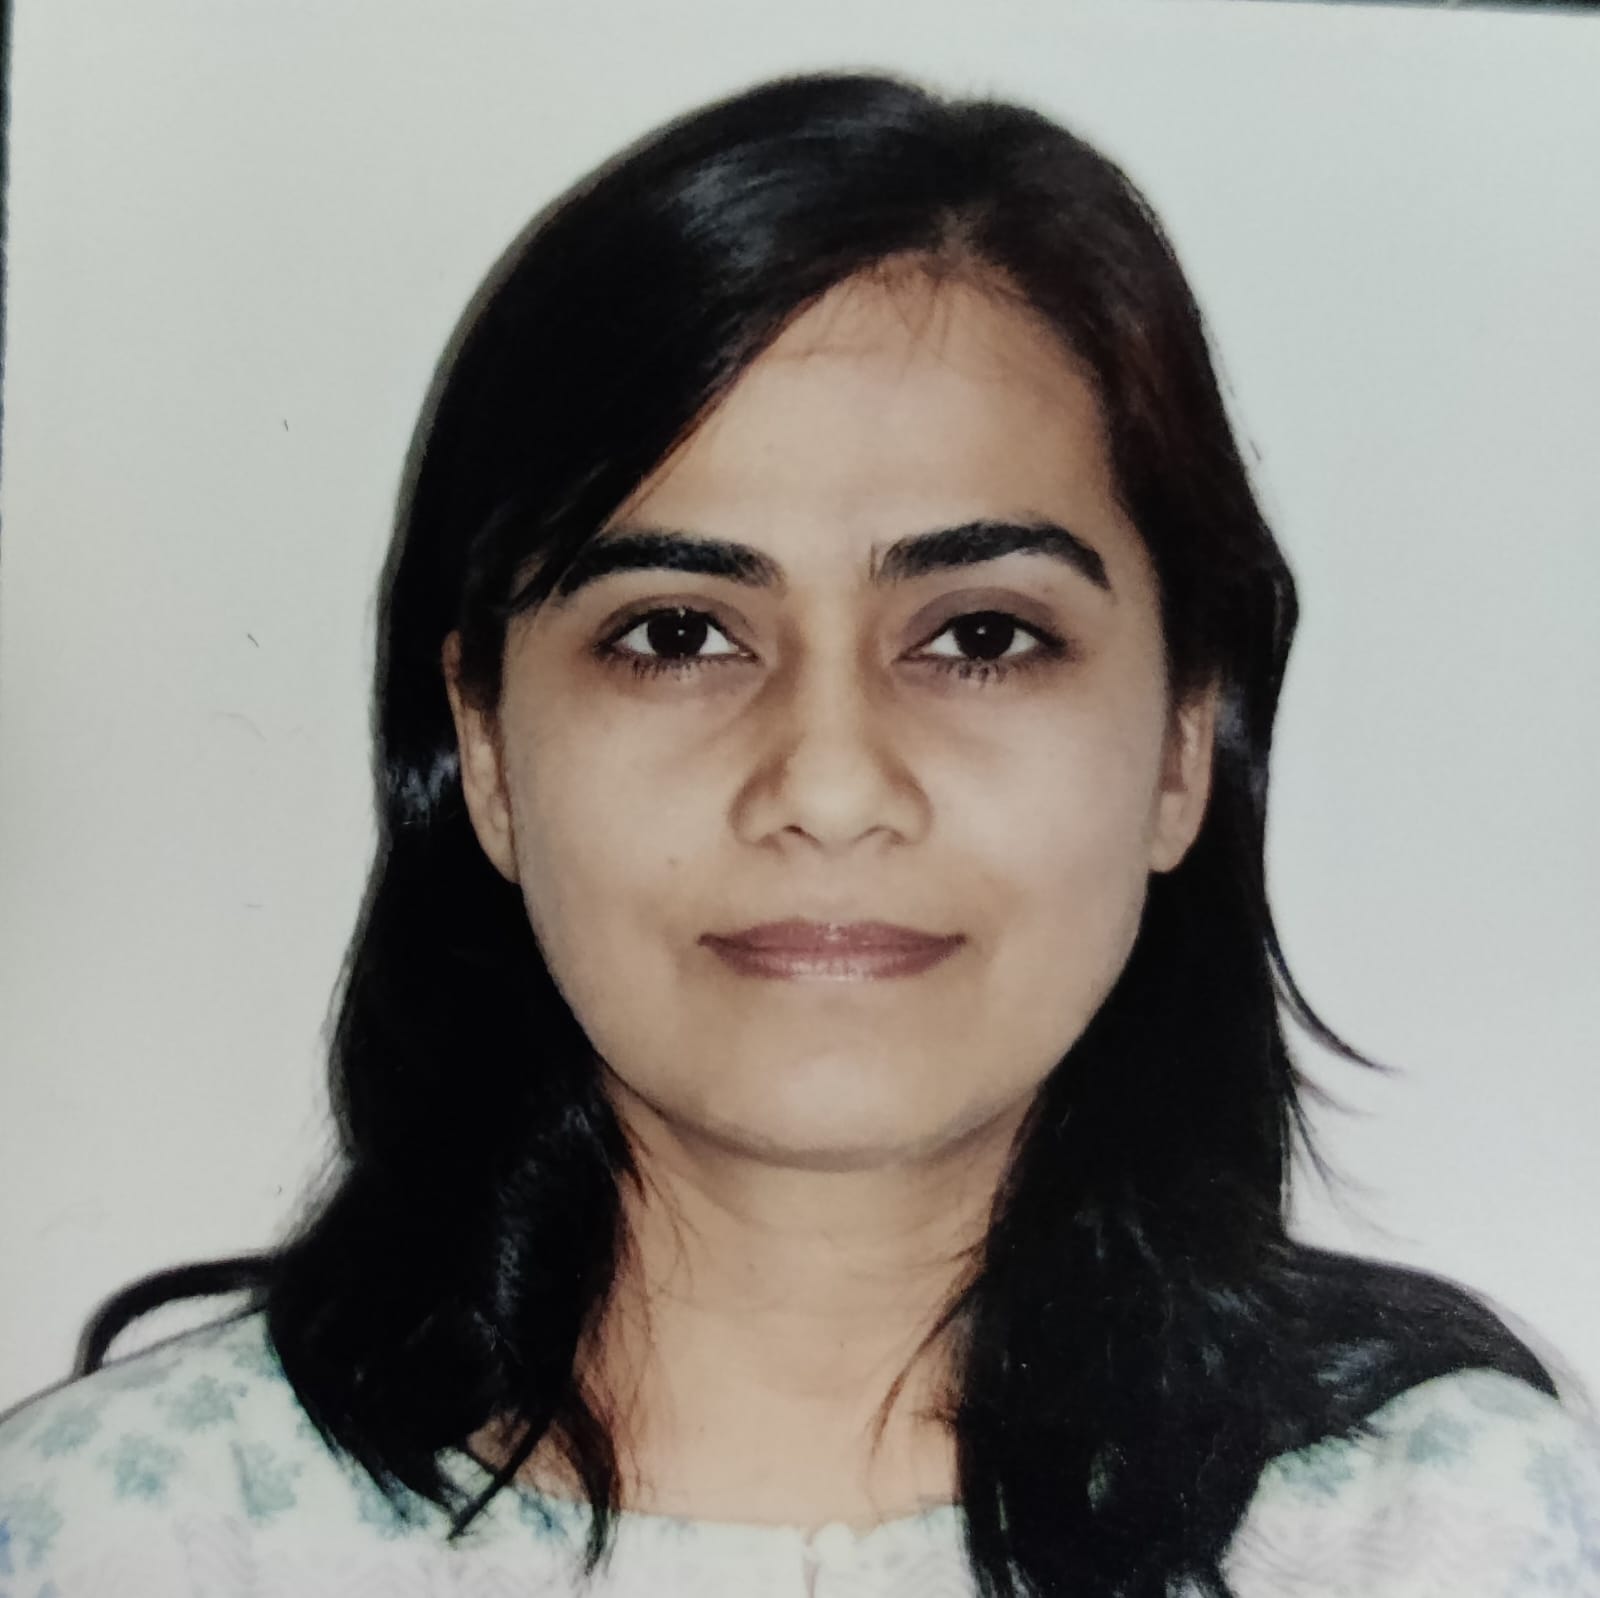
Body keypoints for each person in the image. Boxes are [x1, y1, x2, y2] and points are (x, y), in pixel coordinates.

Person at [1, 66, 1596, 1598]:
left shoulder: (1468, 1541)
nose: (829, 786)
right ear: (485, 748)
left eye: (980, 635)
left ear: (1185, 742)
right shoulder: (108, 1546)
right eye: (677, 632)